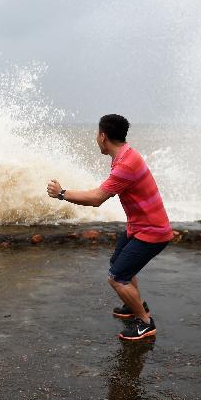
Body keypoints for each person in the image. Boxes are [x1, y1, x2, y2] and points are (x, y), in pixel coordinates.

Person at [46, 114, 172, 341]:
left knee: (116, 278)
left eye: (97, 134)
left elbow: (96, 198)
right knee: (119, 265)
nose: (96, 138)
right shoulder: (126, 154)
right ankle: (134, 305)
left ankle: (145, 322)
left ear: (103, 137)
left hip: (152, 231)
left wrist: (61, 194)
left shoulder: (125, 164)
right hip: (139, 226)